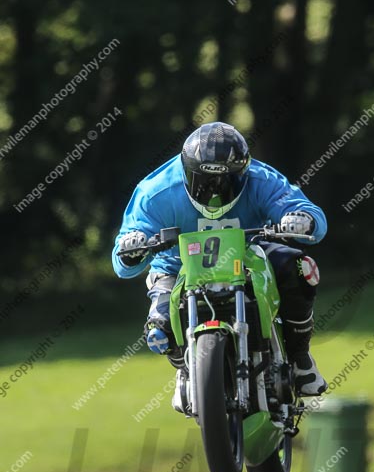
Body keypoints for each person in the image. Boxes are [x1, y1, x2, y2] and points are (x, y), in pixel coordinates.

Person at [112, 121, 328, 397]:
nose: (215, 191)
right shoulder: (155, 191)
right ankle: (186, 367)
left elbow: (309, 214)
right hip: (177, 267)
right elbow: (123, 261)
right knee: (159, 327)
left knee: (298, 267)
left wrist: (302, 219)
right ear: (185, 170)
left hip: (250, 255)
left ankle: (300, 358)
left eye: (227, 180)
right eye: (204, 181)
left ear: (245, 170)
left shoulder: (262, 179)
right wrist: (134, 247)